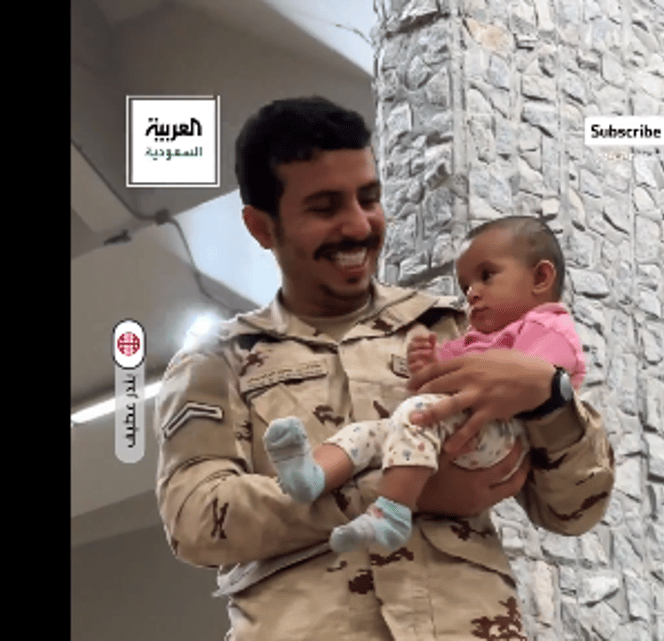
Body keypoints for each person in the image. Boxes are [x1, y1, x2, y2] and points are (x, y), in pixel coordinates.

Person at [153, 96, 615, 641]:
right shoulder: (217, 361)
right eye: (324, 207)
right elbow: (196, 520)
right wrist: (396, 492)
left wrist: (550, 396)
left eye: (369, 198)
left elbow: (572, 511)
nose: (358, 225)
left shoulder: (455, 332)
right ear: (262, 227)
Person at [263, 216, 588, 557]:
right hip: (460, 426)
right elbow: (434, 387)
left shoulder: (548, 328)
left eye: (486, 276)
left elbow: (538, 380)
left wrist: (506, 376)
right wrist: (426, 368)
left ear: (541, 277)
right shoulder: (475, 340)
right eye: (465, 287)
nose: (472, 293)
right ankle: (312, 476)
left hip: (503, 434)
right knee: (371, 432)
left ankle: (391, 513)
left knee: (417, 415)